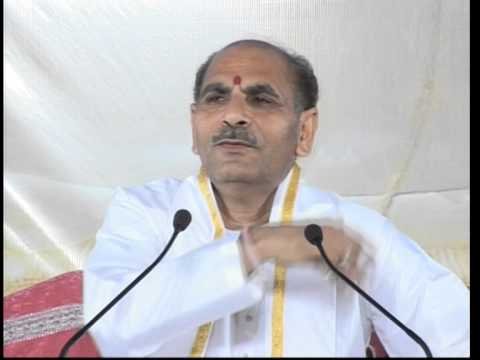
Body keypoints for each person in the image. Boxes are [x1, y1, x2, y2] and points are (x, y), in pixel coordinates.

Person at [84, 39, 469, 357]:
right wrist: (255, 249)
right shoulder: (147, 214)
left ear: (304, 131)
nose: (233, 115)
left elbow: (453, 339)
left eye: (262, 99)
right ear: (194, 125)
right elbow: (111, 328)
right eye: (216, 98)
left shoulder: (353, 233)